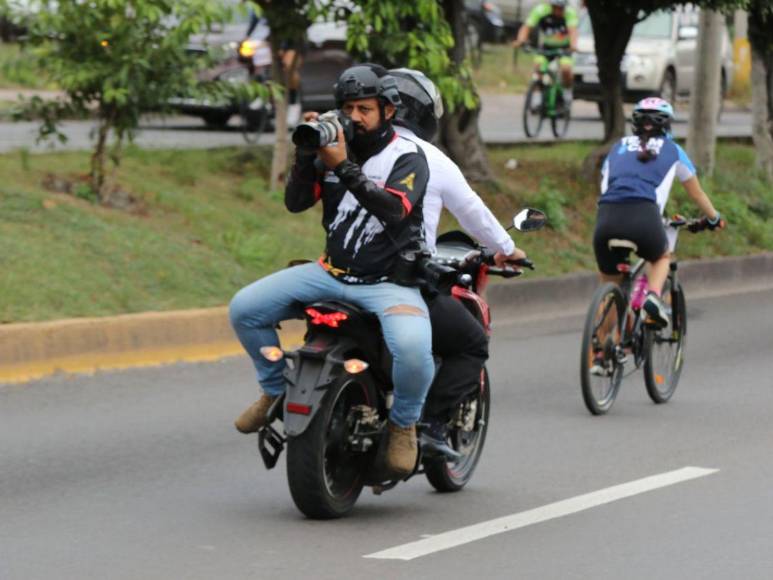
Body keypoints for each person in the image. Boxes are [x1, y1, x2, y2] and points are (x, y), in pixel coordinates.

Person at [229, 64, 433, 477]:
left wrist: (342, 166)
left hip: (389, 283)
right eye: (347, 108)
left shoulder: (408, 157)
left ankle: (403, 424)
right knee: (244, 309)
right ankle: (274, 393)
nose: (354, 117)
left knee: (413, 352)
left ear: (387, 112)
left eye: (364, 108)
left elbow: (394, 210)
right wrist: (307, 157)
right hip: (331, 272)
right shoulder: (331, 148)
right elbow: (296, 203)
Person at [388, 68, 527, 458]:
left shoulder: (357, 151)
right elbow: (474, 213)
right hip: (398, 279)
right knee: (470, 344)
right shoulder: (429, 158)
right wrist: (506, 246)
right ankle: (428, 426)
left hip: (339, 273)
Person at [593, 97, 724, 333]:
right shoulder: (673, 150)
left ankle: (599, 354)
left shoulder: (618, 147)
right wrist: (714, 218)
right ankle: (652, 297)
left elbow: (605, 187)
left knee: (610, 292)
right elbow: (697, 195)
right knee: (662, 257)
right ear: (667, 125)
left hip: (606, 217)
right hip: (644, 216)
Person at [512, 0, 578, 107]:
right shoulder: (541, 10)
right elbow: (527, 26)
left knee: (566, 69)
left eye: (561, 8)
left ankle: (567, 92)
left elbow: (573, 31)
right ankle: (539, 97)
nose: (558, 11)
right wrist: (521, 40)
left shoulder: (570, 13)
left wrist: (573, 45)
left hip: (564, 47)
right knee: (539, 68)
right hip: (547, 46)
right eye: (555, 7)